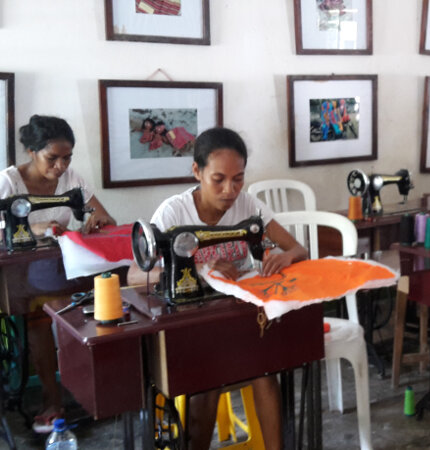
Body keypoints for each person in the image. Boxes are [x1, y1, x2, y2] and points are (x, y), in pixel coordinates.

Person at [128, 127, 308, 450]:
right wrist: (199, 270)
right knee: (206, 383)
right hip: (193, 325)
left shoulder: (248, 207)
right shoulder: (174, 213)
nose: (230, 190)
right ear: (196, 171)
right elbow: (134, 274)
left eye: (238, 179)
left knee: (266, 375)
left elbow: (297, 248)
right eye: (219, 179)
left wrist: (287, 256)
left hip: (241, 320)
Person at [0, 115, 116, 433]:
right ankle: (53, 401)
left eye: (67, 158)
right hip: (20, 274)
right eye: (53, 158)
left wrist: (96, 222)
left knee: (88, 316)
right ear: (31, 152)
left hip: (63, 266)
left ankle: (90, 394)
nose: (61, 166)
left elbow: (104, 216)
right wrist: (31, 228)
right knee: (42, 320)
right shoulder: (8, 182)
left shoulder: (72, 179)